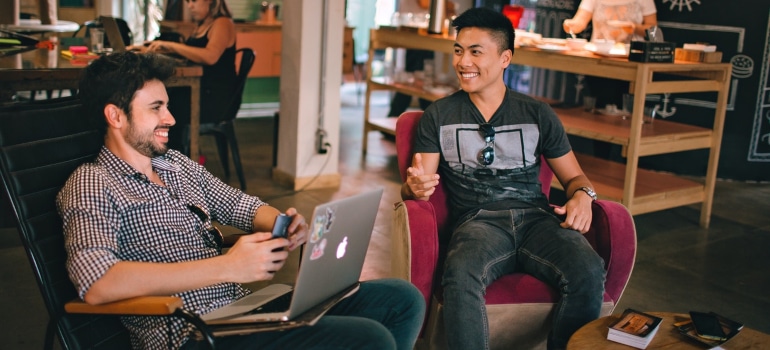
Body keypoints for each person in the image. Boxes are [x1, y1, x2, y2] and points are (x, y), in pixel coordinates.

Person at [58, 51, 425, 350]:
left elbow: (242, 206)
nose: (169, 117)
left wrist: (282, 224)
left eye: (166, 105)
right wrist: (228, 267)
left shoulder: (175, 166)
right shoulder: (93, 182)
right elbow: (97, 283)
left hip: (241, 313)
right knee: (369, 339)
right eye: (156, 107)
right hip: (192, 334)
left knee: (401, 299)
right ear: (115, 115)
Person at [401, 8, 606, 350]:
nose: (462, 61)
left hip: (538, 220)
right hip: (478, 223)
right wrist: (413, 188)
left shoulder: (537, 113)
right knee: (461, 274)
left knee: (587, 269)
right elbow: (418, 183)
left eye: (475, 52)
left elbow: (575, 177)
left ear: (505, 58)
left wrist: (583, 195)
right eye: (458, 50)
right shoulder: (439, 115)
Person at [129, 0, 237, 154]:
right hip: (201, 91)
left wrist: (170, 45)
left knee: (164, 107)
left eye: (194, 1)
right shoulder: (202, 24)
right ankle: (160, 158)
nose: (190, 6)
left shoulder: (223, 23)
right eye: (188, 2)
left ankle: (170, 160)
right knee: (160, 101)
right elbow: (190, 54)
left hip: (215, 99)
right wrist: (149, 50)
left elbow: (210, 56)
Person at [562, 0, 657, 109]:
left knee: (625, 108)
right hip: (599, 60)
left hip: (631, 62)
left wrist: (634, 27)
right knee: (599, 107)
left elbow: (653, 30)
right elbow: (580, 22)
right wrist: (571, 25)